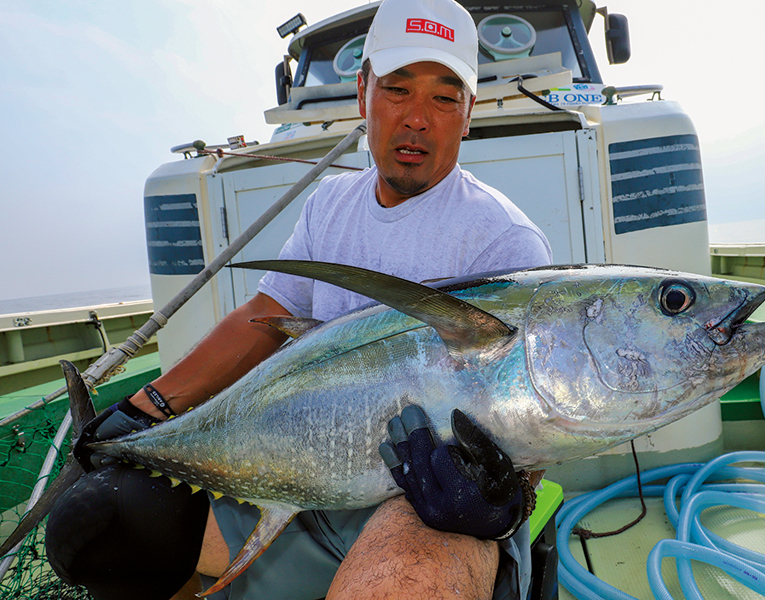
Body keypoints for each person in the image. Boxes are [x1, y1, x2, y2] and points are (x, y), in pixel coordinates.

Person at [46, 0, 552, 598]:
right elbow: (267, 316)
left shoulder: (502, 240)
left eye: (445, 98)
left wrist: (500, 502)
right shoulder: (330, 203)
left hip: (420, 498)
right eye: (396, 89)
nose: (417, 118)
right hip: (297, 462)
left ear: (468, 114)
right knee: (100, 528)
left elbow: (534, 409)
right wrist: (148, 407)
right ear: (363, 91)